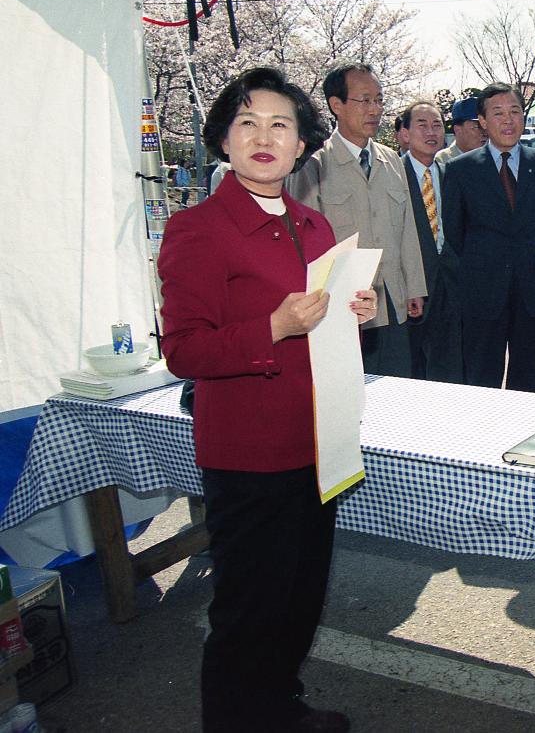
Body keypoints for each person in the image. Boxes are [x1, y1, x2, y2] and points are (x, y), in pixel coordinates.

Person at [158, 67, 377, 733]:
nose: (263, 136)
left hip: (318, 445)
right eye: (246, 122)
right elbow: (186, 351)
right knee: (248, 611)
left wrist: (350, 311)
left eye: (280, 124)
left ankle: (278, 710)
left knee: (299, 599)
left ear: (301, 142)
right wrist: (274, 328)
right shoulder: (198, 228)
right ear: (224, 138)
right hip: (249, 456)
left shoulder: (313, 224)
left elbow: (321, 322)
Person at [288, 63, 427, 377]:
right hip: (343, 306)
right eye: (365, 100)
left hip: (391, 296)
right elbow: (304, 245)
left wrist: (414, 287)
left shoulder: (392, 160)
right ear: (336, 105)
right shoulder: (314, 163)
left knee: (397, 385)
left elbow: (407, 229)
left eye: (379, 100)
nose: (375, 110)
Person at [441, 83, 535, 393]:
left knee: (531, 379)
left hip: (533, 291)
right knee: (480, 379)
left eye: (515, 112)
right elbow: (455, 232)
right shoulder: (460, 170)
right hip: (482, 291)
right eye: (498, 113)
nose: (508, 121)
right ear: (482, 121)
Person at [400, 101, 465, 383]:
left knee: (450, 365)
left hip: (451, 283)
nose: (431, 132)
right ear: (404, 133)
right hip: (412, 285)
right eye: (422, 125)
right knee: (412, 366)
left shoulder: (454, 173)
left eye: (437, 125)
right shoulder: (392, 175)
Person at [437, 97, 486, 163]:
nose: (484, 133)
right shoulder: (442, 161)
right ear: (458, 130)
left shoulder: (497, 159)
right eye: (477, 127)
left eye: (486, 126)